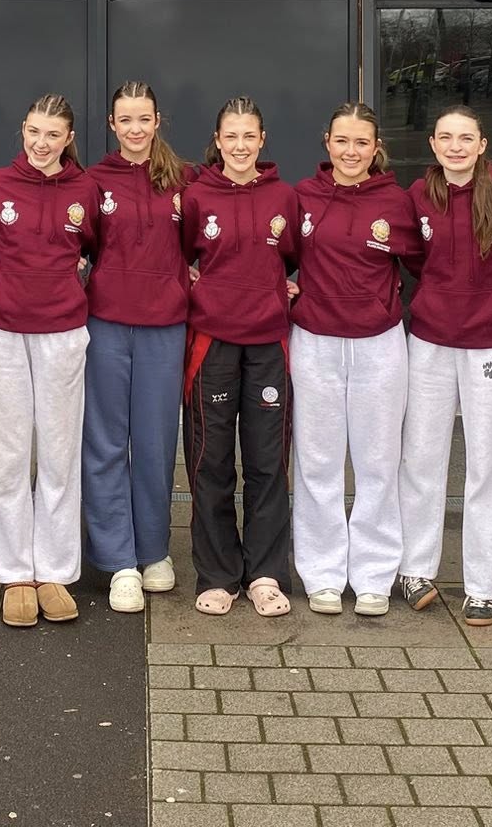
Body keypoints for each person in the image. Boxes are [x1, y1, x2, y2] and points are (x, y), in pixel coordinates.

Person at [395, 105, 492, 622]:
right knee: (421, 456)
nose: (455, 147)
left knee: (489, 463)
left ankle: (485, 583)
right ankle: (414, 568)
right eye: (446, 138)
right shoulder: (418, 196)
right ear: (433, 144)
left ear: (482, 145)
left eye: (466, 138)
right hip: (430, 340)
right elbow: (413, 258)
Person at [291, 102, 423, 617]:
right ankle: (321, 572)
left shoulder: (396, 201)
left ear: (376, 147)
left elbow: (422, 264)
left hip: (379, 343)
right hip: (315, 340)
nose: (351, 152)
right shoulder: (303, 197)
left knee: (377, 462)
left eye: (361, 143)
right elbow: (274, 254)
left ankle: (373, 575)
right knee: (318, 462)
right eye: (342, 141)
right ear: (327, 142)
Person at [0, 94, 99, 628]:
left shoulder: (85, 190)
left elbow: (100, 247)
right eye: (33, 131)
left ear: (68, 139)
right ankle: (12, 572)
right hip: (2, 330)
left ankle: (53, 568)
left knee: (58, 450)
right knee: (5, 453)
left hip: (63, 331)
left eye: (53, 134)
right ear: (22, 131)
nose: (41, 143)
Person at [181, 97, 298, 618]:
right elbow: (179, 254)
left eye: (249, 136)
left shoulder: (285, 198)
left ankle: (266, 574)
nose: (241, 145)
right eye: (231, 136)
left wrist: (286, 287)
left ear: (262, 139)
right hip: (212, 342)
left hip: (269, 342)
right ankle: (218, 574)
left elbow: (296, 256)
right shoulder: (196, 195)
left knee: (268, 462)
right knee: (211, 462)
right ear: (218, 140)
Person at [82, 81, 195, 613]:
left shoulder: (184, 179)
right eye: (124, 119)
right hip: (105, 323)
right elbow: (68, 245)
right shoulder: (92, 182)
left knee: (153, 443)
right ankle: (117, 560)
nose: (134, 128)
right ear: (112, 124)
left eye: (143, 119)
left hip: (165, 325)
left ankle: (153, 552)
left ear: (157, 121)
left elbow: (208, 247)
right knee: (105, 442)